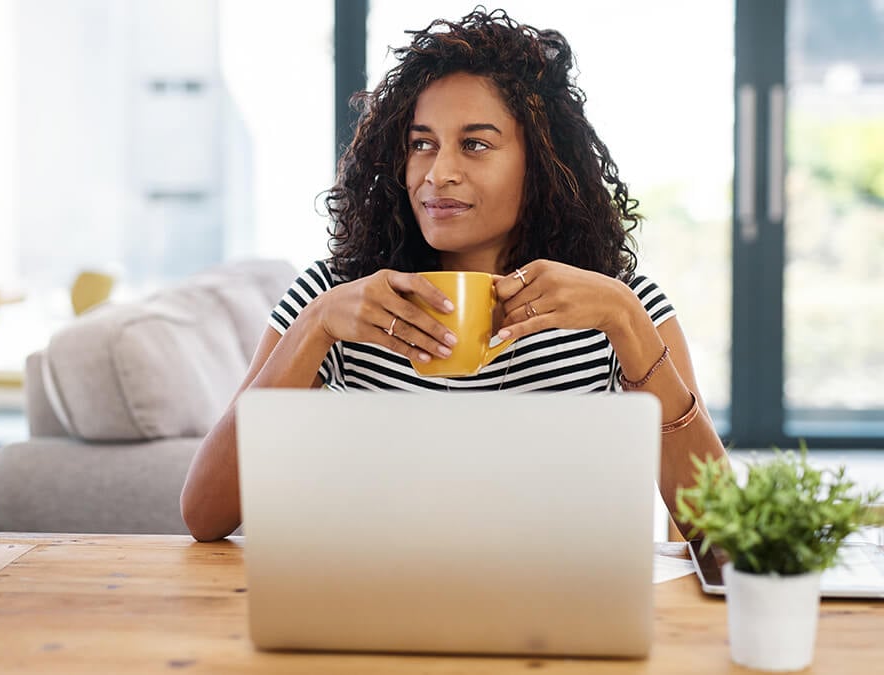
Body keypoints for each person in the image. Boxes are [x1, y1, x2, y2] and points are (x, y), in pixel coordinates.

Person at [180, 7, 727, 542]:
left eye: (475, 144)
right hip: (374, 610)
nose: (438, 173)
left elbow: (722, 535)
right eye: (423, 144)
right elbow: (205, 515)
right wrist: (315, 326)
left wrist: (627, 322)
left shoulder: (622, 307)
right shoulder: (335, 297)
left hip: (554, 622)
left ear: (541, 162)